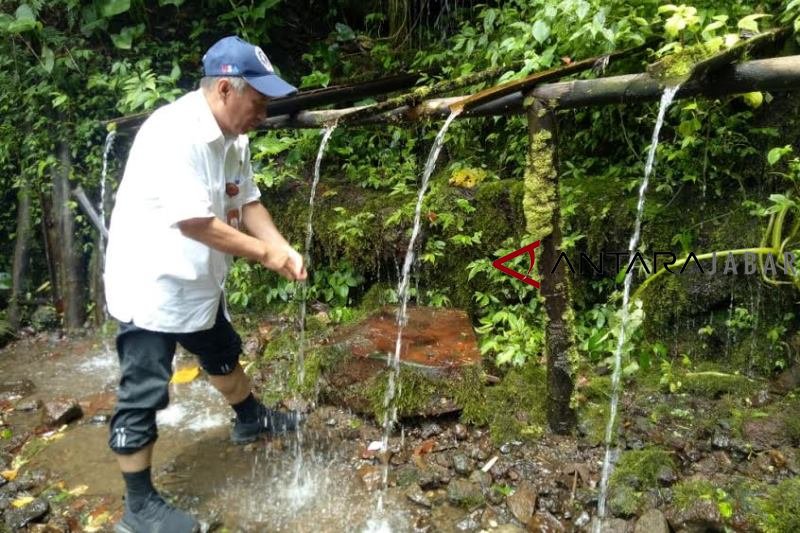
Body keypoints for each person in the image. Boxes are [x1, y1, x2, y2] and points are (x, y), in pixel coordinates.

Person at [103, 36, 307, 533]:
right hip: (153, 285)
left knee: (221, 350)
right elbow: (195, 222)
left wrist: (281, 245)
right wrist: (264, 253)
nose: (263, 113)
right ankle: (138, 507)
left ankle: (251, 419)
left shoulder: (235, 137)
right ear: (223, 89)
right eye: (257, 103)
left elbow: (249, 201)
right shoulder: (176, 134)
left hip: (198, 280)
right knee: (144, 392)